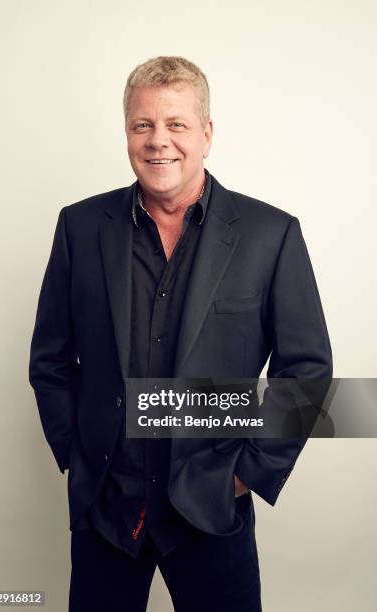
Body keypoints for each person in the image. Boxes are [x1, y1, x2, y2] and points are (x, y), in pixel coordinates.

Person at [29, 56, 332, 612]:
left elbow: (306, 371)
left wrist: (247, 474)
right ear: (127, 133)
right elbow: (50, 358)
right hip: (106, 509)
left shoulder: (272, 235)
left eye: (176, 125)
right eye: (143, 125)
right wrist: (77, 450)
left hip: (212, 508)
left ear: (207, 134)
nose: (158, 141)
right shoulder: (79, 226)